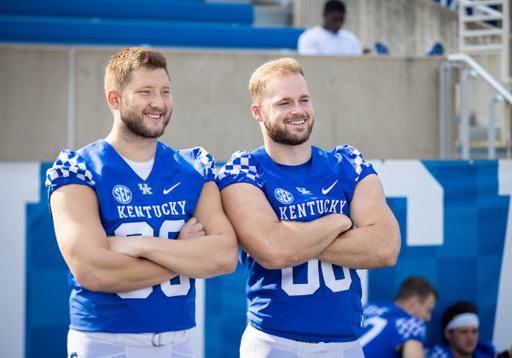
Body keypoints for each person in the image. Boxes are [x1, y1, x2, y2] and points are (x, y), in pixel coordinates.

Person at [46, 47, 238, 358]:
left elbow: (225, 257)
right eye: (145, 92)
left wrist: (141, 246)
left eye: (165, 92)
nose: (158, 103)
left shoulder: (192, 168)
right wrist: (183, 252)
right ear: (114, 99)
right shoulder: (79, 169)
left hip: (179, 342)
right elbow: (93, 271)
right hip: (105, 341)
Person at [216, 57, 401, 357]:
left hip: (346, 344)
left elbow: (386, 248)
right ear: (258, 113)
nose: (298, 110)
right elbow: (274, 251)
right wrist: (339, 223)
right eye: (284, 103)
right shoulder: (244, 168)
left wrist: (290, 239)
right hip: (275, 342)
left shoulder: (346, 162)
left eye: (304, 99)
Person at [360, 276, 438, 358]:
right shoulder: (412, 324)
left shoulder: (370, 307)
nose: (429, 318)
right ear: (414, 303)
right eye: (428, 310)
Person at [427, 302, 512, 358]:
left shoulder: (487, 349)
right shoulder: (438, 354)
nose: (470, 337)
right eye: (463, 332)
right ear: (447, 333)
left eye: (474, 331)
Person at [298, 0, 364, 56]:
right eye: (335, 19)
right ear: (324, 15)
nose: (339, 24)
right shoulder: (309, 37)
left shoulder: (352, 39)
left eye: (341, 20)